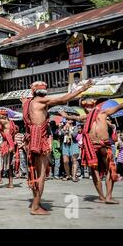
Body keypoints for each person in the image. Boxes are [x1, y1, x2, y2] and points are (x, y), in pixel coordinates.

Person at [22, 79, 92, 215]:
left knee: (36, 173)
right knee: (41, 175)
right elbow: (63, 98)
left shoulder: (29, 102)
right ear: (43, 92)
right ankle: (35, 207)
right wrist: (82, 90)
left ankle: (36, 203)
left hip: (32, 139)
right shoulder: (40, 100)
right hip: (38, 139)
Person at [60, 91, 123, 205]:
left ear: (94, 105)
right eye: (86, 106)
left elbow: (120, 106)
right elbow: (75, 117)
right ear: (84, 107)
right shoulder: (85, 117)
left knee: (110, 168)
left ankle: (108, 196)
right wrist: (65, 116)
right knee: (94, 171)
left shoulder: (103, 113)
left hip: (104, 144)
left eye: (90, 105)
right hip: (91, 146)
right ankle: (101, 196)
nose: (88, 107)